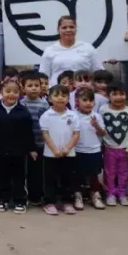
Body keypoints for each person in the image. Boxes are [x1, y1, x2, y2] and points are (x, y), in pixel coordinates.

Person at [0, 80, 36, 213]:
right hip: (0, 151)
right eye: (8, 91)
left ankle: (20, 200)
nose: (11, 95)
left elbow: (29, 132)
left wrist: (31, 148)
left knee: (19, 177)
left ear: (20, 94)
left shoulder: (23, 112)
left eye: (15, 92)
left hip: (19, 152)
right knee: (1, 176)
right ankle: (2, 199)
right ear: (2, 93)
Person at [40, 85, 80, 216]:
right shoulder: (46, 115)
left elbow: (76, 134)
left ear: (68, 98)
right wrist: (55, 150)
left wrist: (67, 148)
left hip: (69, 154)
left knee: (67, 179)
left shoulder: (73, 115)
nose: (60, 98)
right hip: (50, 154)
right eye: (56, 95)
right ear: (50, 98)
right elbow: (45, 134)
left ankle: (67, 202)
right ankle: (49, 202)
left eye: (63, 96)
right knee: (50, 179)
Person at [100, 83, 128, 207]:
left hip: (125, 149)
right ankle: (110, 194)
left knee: (124, 173)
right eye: (114, 94)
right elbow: (101, 128)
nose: (118, 97)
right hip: (109, 148)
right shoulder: (103, 109)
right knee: (110, 172)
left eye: (122, 94)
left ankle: (122, 194)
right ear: (108, 96)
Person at [38, 16, 103, 84]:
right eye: (64, 27)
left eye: (71, 27)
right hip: (58, 92)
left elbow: (98, 72)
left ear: (76, 29)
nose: (68, 30)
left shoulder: (88, 48)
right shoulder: (49, 51)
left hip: (84, 91)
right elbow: (43, 76)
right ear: (58, 30)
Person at [19, 71, 50, 206]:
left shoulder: (45, 104)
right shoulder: (21, 104)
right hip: (25, 144)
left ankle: (37, 196)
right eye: (30, 85)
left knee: (38, 171)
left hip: (41, 144)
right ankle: (24, 195)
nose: (34, 88)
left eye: (37, 85)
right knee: (25, 170)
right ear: (23, 88)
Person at [74, 88, 107, 210]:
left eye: (91, 100)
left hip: (94, 150)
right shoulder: (73, 115)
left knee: (94, 174)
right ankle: (78, 195)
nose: (88, 103)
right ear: (77, 101)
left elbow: (103, 133)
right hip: (78, 150)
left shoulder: (96, 116)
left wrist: (96, 125)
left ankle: (95, 195)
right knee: (77, 174)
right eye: (85, 100)